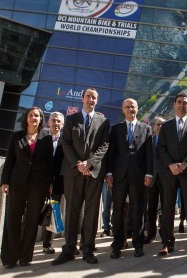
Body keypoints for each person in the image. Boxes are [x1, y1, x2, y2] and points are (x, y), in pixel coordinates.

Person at [52, 88, 110, 265]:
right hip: (73, 172)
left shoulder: (104, 121)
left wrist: (89, 163)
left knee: (91, 213)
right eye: (88, 97)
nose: (90, 100)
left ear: (96, 101)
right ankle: (69, 249)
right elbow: (66, 143)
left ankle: (88, 249)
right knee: (72, 212)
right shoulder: (70, 119)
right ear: (82, 99)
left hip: (94, 173)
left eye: (94, 97)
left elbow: (104, 145)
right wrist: (78, 163)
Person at [1, 107, 54, 268]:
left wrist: (51, 183)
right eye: (30, 115)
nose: (33, 118)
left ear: (40, 119)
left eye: (36, 116)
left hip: (38, 185)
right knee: (12, 218)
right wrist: (5, 182)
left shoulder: (46, 138)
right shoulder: (16, 136)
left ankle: (25, 257)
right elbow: (9, 160)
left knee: (31, 221)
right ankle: (10, 258)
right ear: (26, 118)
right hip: (17, 183)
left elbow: (49, 162)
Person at [157, 92, 187, 256]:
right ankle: (167, 243)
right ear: (174, 104)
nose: (182, 105)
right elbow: (161, 148)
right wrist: (171, 165)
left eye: (185, 102)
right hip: (170, 172)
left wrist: (184, 164)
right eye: (179, 102)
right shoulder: (166, 126)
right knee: (168, 208)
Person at [106, 98, 152, 259]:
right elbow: (111, 153)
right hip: (118, 177)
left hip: (138, 177)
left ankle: (138, 244)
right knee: (117, 211)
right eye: (127, 107)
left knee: (138, 211)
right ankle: (117, 245)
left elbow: (149, 154)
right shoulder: (116, 129)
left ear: (137, 109)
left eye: (133, 107)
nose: (130, 109)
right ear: (122, 110)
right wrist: (109, 173)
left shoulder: (146, 128)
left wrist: (149, 173)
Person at [42, 111, 65, 254]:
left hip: (57, 186)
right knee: (34, 212)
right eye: (54, 121)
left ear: (62, 125)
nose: (56, 124)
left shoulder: (66, 141)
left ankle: (47, 244)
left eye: (59, 122)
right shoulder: (41, 138)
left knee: (53, 212)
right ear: (48, 122)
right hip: (40, 183)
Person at [144, 116, 165, 244]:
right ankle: (150, 234)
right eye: (158, 124)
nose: (160, 127)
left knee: (165, 208)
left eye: (162, 125)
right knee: (151, 208)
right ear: (153, 127)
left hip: (165, 179)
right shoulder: (149, 141)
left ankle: (164, 234)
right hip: (151, 180)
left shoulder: (169, 141)